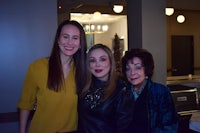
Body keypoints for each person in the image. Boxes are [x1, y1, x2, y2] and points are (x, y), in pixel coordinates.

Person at [17, 20, 88, 133]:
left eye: (75, 38)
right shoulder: (37, 67)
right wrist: (21, 131)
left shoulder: (83, 72)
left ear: (80, 44)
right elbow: (26, 104)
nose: (69, 42)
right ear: (58, 40)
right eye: (65, 37)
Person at [78, 44, 133, 133]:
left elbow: (124, 129)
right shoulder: (84, 86)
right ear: (88, 64)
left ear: (111, 62)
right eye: (92, 60)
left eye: (102, 59)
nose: (97, 64)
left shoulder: (122, 91)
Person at [121, 48, 179, 133]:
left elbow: (170, 127)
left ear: (147, 69)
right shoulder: (122, 93)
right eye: (128, 69)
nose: (132, 72)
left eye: (138, 67)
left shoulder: (160, 92)